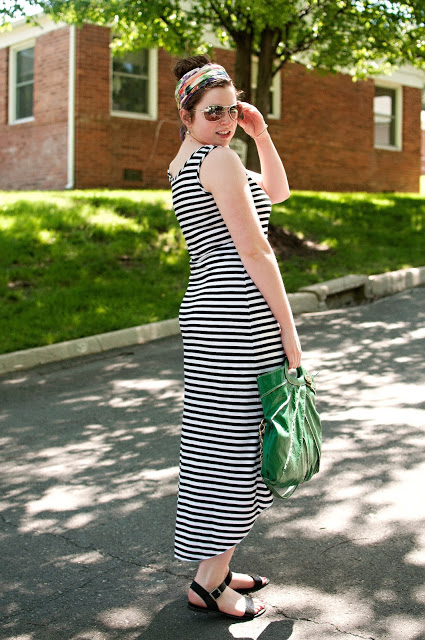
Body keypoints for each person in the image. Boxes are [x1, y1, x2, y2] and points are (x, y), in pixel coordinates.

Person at [168, 55, 302, 621]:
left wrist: (260, 133)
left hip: (211, 311)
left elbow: (278, 192)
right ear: (187, 113)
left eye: (230, 110)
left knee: (220, 446)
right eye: (212, 112)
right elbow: (257, 250)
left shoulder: (189, 159)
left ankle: (216, 569)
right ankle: (209, 582)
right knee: (236, 454)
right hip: (238, 316)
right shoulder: (217, 159)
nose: (225, 122)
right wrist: (292, 339)